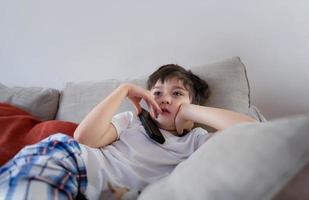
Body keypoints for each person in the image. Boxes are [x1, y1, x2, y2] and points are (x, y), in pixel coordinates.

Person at [0, 64, 256, 200]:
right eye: (157, 93)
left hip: (103, 193)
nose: (165, 99)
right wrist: (122, 90)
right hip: (75, 163)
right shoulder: (132, 121)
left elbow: (250, 131)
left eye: (176, 94)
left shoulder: (196, 141)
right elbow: (84, 138)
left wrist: (189, 112)